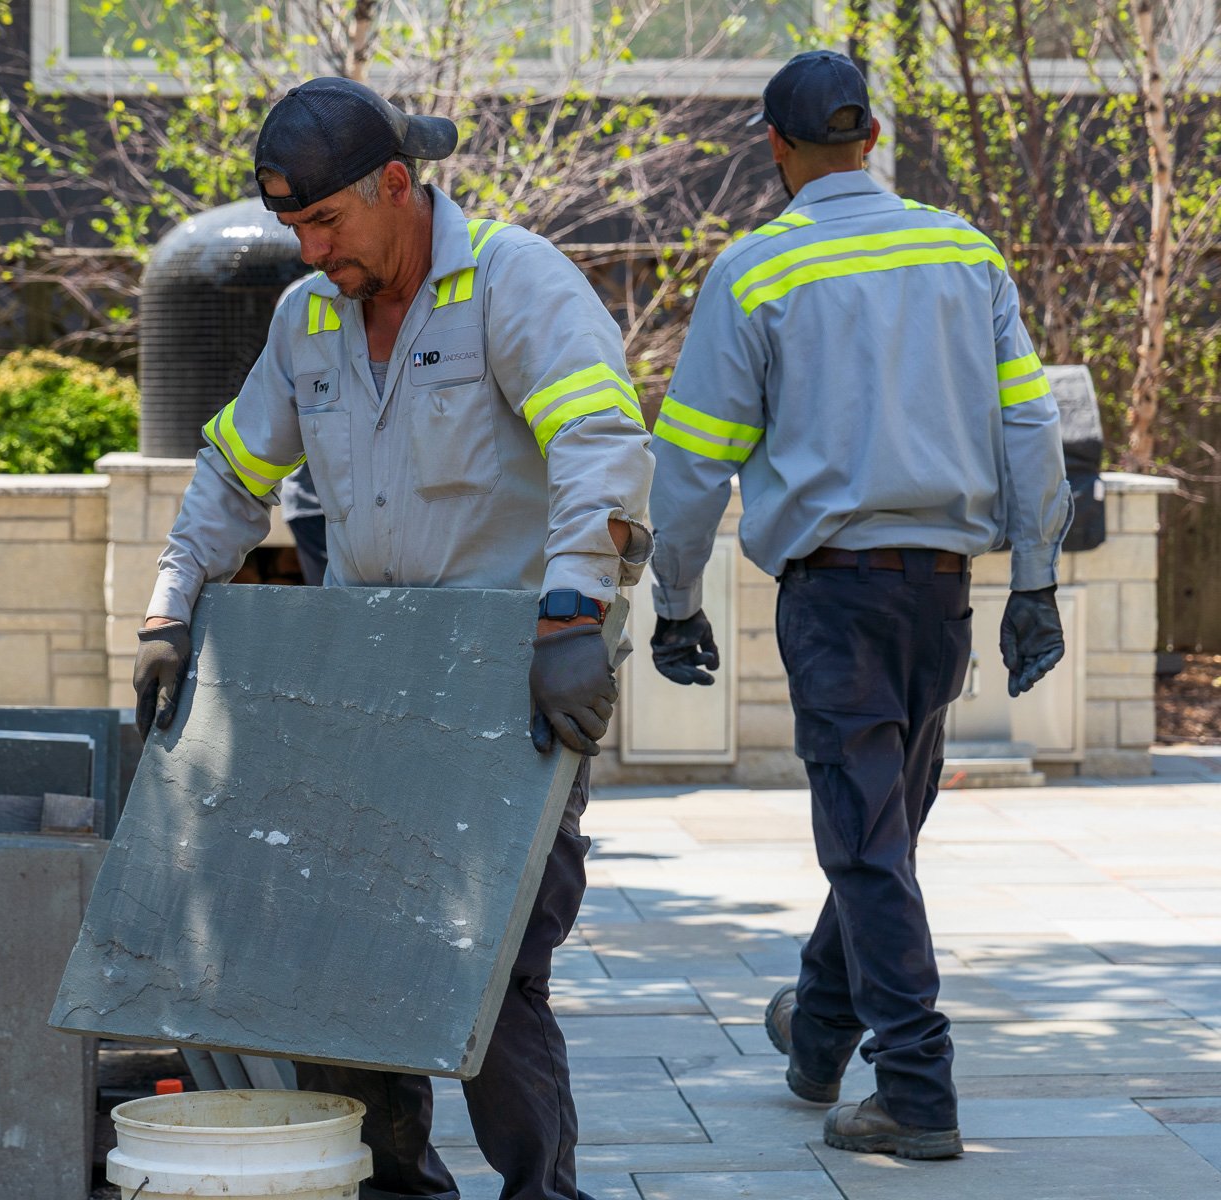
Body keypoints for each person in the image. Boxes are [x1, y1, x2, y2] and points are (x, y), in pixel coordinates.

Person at [131, 76, 656, 1200]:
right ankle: (397, 1187)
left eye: (326, 222)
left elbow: (602, 443)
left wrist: (574, 612)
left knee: (499, 964)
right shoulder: (307, 319)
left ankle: (540, 1190)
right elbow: (234, 469)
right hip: (375, 683)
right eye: (293, 228)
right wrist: (172, 604)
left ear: (397, 186)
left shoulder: (512, 282)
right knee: (357, 950)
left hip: (517, 679)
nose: (312, 250)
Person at [646, 50, 1071, 1160]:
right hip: (943, 595)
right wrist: (1037, 579)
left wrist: (675, 598)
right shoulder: (962, 252)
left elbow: (692, 460)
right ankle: (821, 1029)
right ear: (872, 139)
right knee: (879, 833)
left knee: (868, 845)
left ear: (777, 152)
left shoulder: (758, 273)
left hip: (835, 599)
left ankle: (917, 1092)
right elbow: (1030, 426)